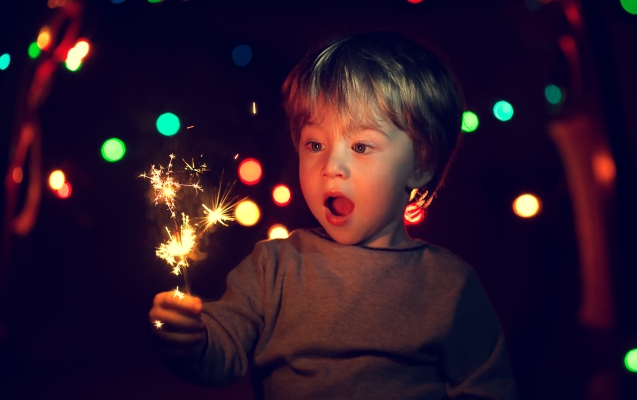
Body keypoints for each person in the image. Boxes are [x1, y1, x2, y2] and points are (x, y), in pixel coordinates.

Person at [149, 31, 519, 399]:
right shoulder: (273, 267)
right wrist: (191, 338)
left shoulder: (448, 286)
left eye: (360, 146)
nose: (331, 166)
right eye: (315, 144)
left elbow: (487, 389)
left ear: (420, 166)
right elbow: (222, 350)